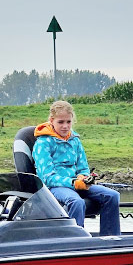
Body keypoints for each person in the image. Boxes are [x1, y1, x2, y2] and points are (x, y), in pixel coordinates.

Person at [31, 100, 121, 236]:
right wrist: (73, 182)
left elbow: (83, 167)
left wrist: (84, 178)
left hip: (78, 184)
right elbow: (47, 178)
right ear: (51, 120)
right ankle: (75, 240)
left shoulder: (75, 140)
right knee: (76, 202)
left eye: (68, 122)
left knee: (112, 195)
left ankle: (111, 238)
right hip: (54, 187)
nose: (65, 126)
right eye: (61, 122)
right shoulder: (42, 143)